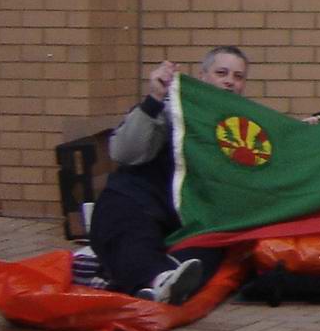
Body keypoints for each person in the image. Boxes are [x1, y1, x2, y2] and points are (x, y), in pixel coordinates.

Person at [88, 46, 248, 303]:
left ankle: (153, 284)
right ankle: (157, 278)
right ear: (202, 76)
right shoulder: (167, 108)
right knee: (133, 236)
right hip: (135, 203)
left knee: (208, 253)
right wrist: (154, 99)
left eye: (238, 77)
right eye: (222, 73)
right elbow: (122, 151)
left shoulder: (242, 130)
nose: (230, 81)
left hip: (186, 222)